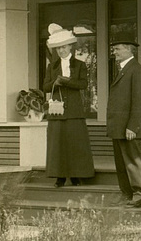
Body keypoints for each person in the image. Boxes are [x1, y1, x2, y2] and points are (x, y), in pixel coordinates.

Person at [43, 23, 95, 188]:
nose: (61, 51)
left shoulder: (79, 65)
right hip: (57, 111)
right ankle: (59, 177)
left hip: (74, 110)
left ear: (70, 47)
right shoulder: (52, 66)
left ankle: (76, 176)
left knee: (75, 144)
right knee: (57, 145)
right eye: (58, 49)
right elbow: (45, 87)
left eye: (64, 48)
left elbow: (83, 84)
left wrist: (68, 82)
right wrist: (56, 82)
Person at [107, 31, 141, 208]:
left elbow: (140, 102)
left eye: (117, 49)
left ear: (129, 50)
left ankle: (139, 195)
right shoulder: (124, 70)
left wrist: (133, 126)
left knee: (133, 161)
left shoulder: (136, 71)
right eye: (114, 49)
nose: (114, 52)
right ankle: (127, 194)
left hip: (129, 128)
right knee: (122, 163)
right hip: (119, 127)